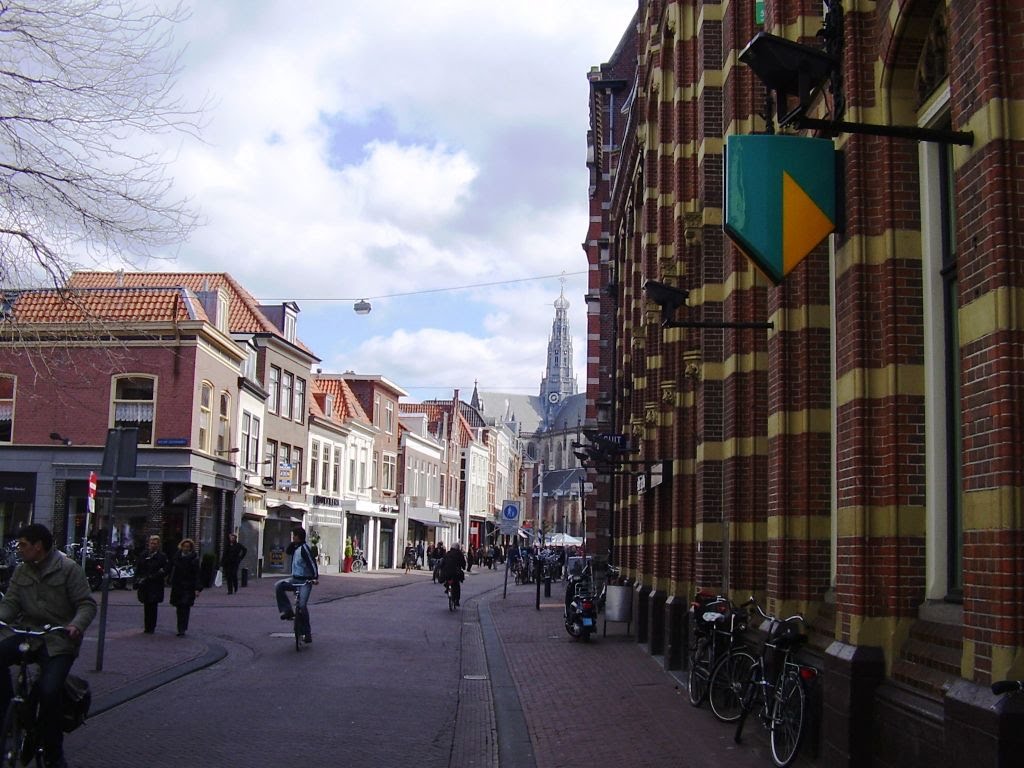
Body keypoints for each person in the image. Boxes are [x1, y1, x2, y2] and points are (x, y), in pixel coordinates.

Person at [0, 524, 97, 768]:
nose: (19, 549)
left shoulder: (68, 569)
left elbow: (87, 604)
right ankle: (7, 714)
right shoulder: (21, 571)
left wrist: (76, 625)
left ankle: (54, 753)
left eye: (23, 544)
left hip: (58, 639)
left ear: (38, 546)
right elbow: (11, 603)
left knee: (50, 691)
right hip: (28, 633)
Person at [275, 528, 318, 643]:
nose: (293, 537)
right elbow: (288, 551)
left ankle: (307, 633)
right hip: (295, 579)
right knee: (278, 586)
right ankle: (287, 611)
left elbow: (312, 563)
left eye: (294, 536)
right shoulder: (295, 547)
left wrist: (314, 578)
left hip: (305, 582)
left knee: (302, 606)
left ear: (299, 537)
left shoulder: (304, 549)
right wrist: (293, 543)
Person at [135, 534, 168, 634]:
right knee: (146, 605)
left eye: (155, 543)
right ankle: (147, 626)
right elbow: (139, 567)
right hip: (145, 584)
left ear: (158, 545)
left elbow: (166, 569)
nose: (152, 545)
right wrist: (137, 580)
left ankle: (151, 626)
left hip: (155, 584)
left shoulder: (162, 556)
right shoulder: (144, 555)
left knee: (153, 605)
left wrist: (158, 574)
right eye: (151, 543)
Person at [169, 538, 201, 636]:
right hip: (178, 586)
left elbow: (197, 574)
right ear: (181, 547)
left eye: (188, 547)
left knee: (185, 606)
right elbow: (170, 568)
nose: (186, 549)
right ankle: (180, 626)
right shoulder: (176, 557)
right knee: (179, 607)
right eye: (184, 546)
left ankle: (182, 628)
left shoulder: (194, 559)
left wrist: (197, 588)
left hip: (188, 586)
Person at [440, 542, 467, 607]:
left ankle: (447, 588)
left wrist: (442, 569)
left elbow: (443, 563)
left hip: (447, 572)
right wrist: (463, 567)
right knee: (457, 585)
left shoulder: (447, 553)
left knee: (447, 579)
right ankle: (457, 600)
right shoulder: (459, 554)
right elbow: (463, 563)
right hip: (455, 572)